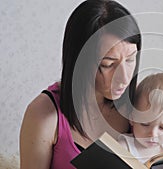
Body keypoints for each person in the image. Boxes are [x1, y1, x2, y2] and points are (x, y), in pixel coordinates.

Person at [19, 0, 141, 169]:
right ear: (79, 62)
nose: (124, 78)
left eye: (130, 59)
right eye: (108, 64)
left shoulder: (140, 101)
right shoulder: (44, 114)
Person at [118, 73, 163, 163]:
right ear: (132, 118)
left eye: (162, 127)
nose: (153, 134)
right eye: (145, 124)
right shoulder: (123, 147)